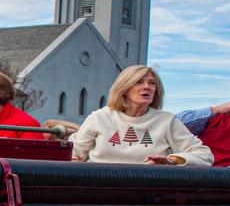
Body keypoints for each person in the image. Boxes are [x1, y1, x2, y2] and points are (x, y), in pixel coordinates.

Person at [69, 65, 212, 166]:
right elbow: (74, 153)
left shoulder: (167, 121)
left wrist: (173, 160)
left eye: (152, 83)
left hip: (148, 191)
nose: (147, 87)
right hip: (100, 188)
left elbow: (204, 155)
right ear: (123, 88)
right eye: (138, 82)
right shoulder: (99, 117)